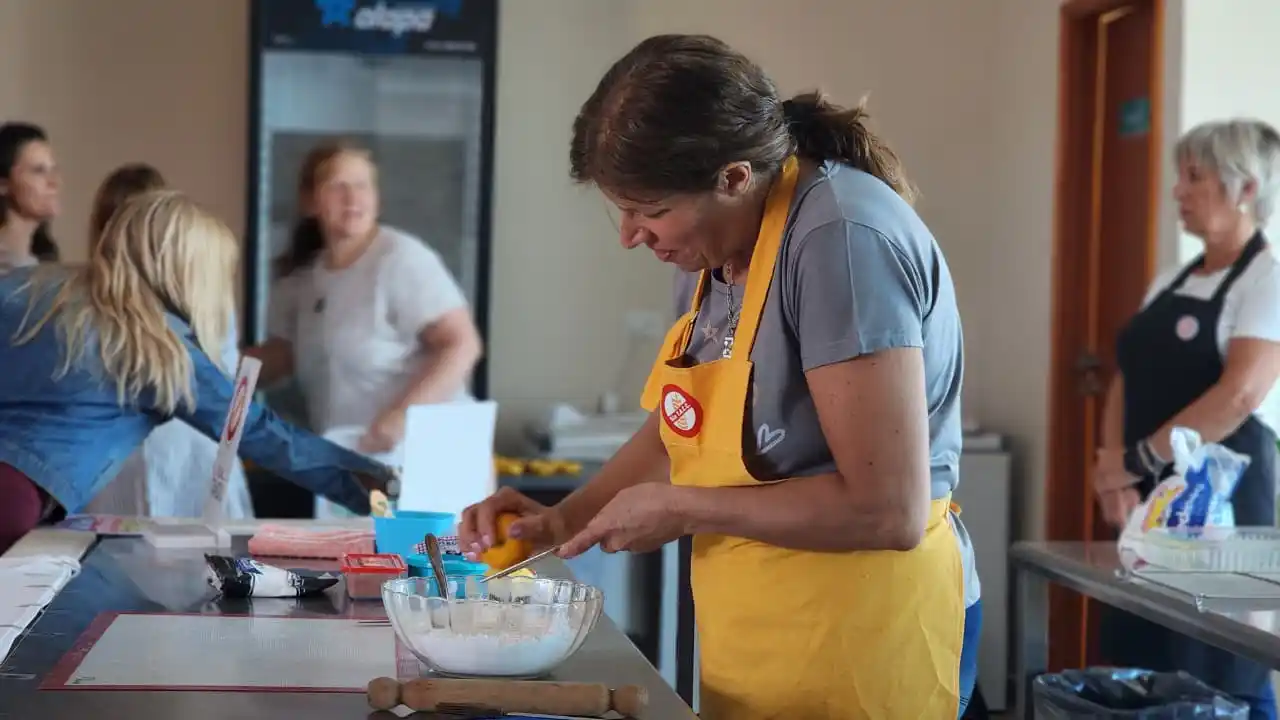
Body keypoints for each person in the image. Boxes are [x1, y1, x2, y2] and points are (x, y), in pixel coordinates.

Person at [460, 34, 980, 719]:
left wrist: (686, 509)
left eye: (650, 211)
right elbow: (679, 430)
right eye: (623, 211)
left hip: (867, 631)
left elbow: (888, 509)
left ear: (734, 177)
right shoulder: (717, 250)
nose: (631, 236)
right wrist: (559, 522)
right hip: (765, 636)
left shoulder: (841, 240)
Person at [0, 190, 395, 553]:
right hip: (14, 503)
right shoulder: (158, 347)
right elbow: (261, 434)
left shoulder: (28, 287)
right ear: (188, 272)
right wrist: (377, 486)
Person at [1094, 119, 1280, 719]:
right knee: (1140, 667)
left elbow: (1239, 396)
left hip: (1225, 515)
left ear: (1246, 189)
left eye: (1194, 177)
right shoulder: (1170, 279)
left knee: (1217, 675)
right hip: (1145, 510)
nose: (1178, 191)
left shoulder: (1268, 281)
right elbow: (1126, 376)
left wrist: (1137, 461)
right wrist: (1111, 470)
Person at [248, 141, 483, 517]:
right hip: (357, 462)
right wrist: (213, 373)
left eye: (363, 184)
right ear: (310, 201)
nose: (352, 197)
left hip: (425, 459)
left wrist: (402, 416)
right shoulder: (301, 281)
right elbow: (283, 355)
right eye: (338, 185)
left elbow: (462, 344)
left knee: (431, 572)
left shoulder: (401, 259)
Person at [82, 163, 254, 519]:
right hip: (118, 470)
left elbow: (228, 381)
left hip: (195, 459)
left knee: (209, 566)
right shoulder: (87, 300)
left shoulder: (202, 292)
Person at [0, 122, 60, 269]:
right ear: (3, 185)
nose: (54, 182)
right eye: (39, 170)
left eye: (54, 170)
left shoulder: (44, 261)